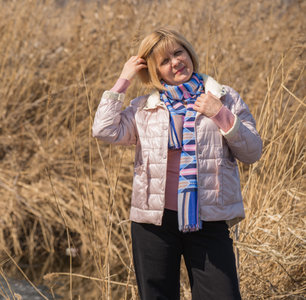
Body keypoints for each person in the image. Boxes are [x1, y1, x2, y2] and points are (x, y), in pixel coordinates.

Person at [92, 28, 262, 300]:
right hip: (154, 222)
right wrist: (123, 80)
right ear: (155, 71)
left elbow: (252, 151)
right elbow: (103, 129)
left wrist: (220, 114)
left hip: (208, 217)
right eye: (164, 61)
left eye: (178, 52)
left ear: (189, 52)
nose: (176, 62)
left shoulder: (224, 97)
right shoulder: (144, 107)